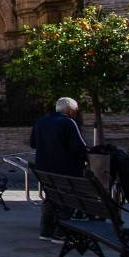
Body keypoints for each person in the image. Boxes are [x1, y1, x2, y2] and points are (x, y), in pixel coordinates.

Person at [31, 96, 89, 242]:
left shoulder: (41, 121)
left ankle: (46, 232)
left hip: (43, 170)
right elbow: (79, 147)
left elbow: (33, 144)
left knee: (50, 198)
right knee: (68, 199)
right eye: (75, 110)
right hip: (66, 171)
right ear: (70, 110)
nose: (76, 113)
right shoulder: (69, 123)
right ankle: (61, 233)